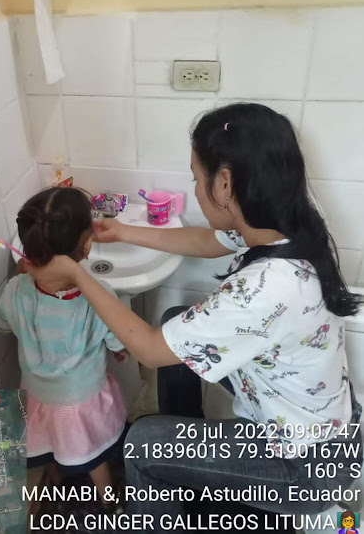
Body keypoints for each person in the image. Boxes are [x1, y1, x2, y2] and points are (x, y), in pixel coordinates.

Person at [25, 103, 363, 527]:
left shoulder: (265, 288)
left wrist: (77, 274)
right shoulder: (286, 219)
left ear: (224, 183)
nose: (197, 191)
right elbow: (207, 241)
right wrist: (124, 231)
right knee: (175, 316)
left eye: (195, 178)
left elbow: (150, 350)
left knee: (142, 445)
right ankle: (189, 474)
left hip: (303, 471)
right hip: (321, 427)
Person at [0, 187, 128, 507]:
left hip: (38, 397)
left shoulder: (16, 289)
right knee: (93, 455)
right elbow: (118, 338)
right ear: (87, 244)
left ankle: (54, 480)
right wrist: (119, 350)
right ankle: (109, 501)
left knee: (48, 444)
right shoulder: (99, 295)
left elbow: (0, 324)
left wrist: (16, 282)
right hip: (83, 401)